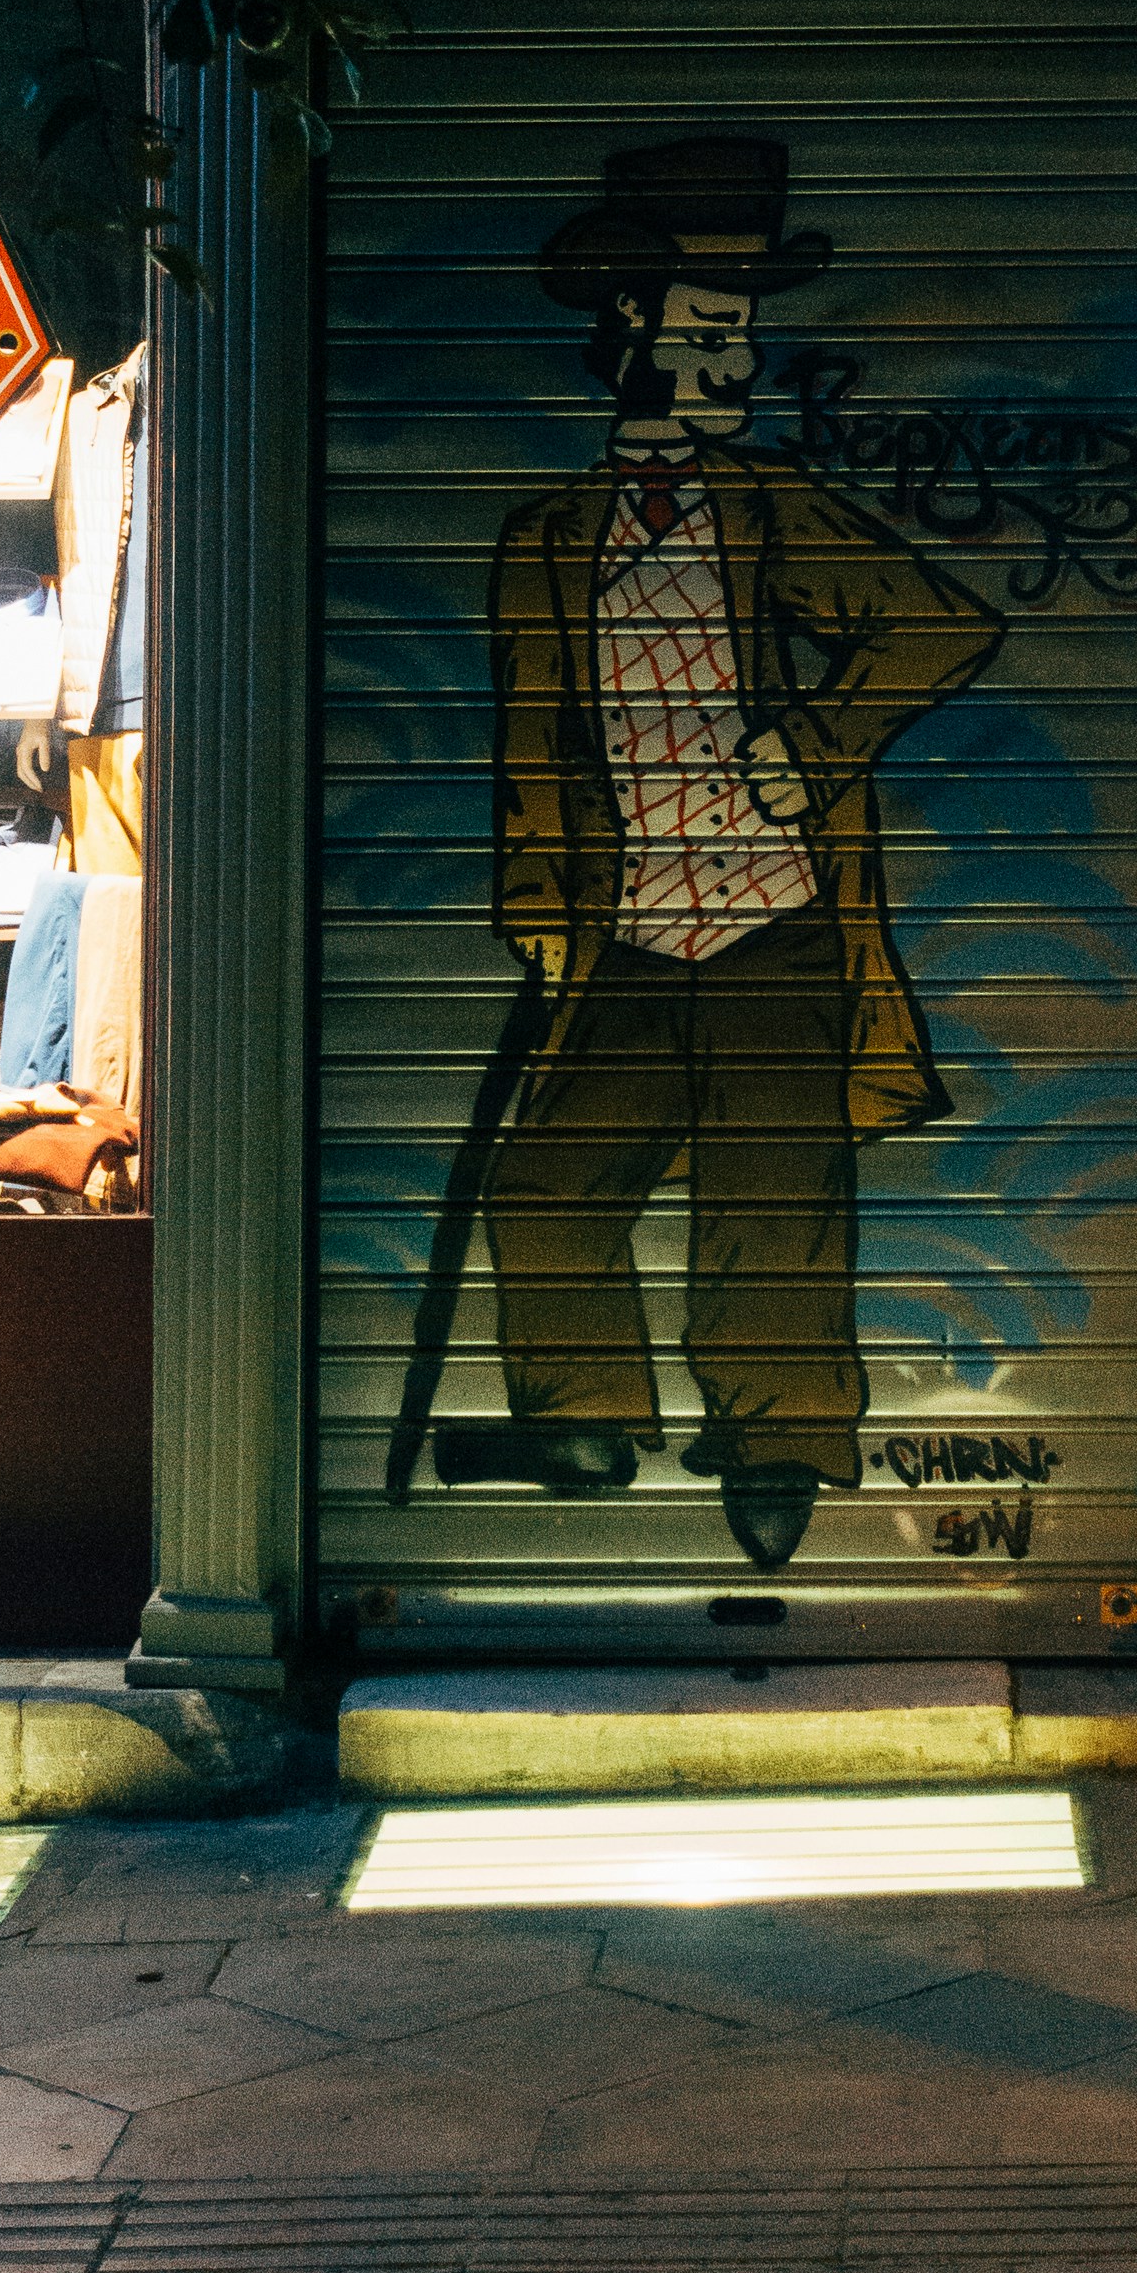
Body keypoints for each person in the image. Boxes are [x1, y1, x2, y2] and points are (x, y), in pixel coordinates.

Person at [448, 134, 1004, 1570]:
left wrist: (816, 735)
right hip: (623, 926)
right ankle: (582, 1412)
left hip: (778, 917)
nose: (730, 366)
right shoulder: (546, 538)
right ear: (625, 334)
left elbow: (941, 621)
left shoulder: (768, 509)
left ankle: (777, 1440)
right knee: (547, 1184)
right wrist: (534, 899)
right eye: (705, 336)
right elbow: (526, 741)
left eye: (738, 338)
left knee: (775, 1198)